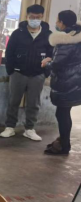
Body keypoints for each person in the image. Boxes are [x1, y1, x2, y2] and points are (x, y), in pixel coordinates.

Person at [1, 4, 53, 141]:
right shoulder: (18, 33)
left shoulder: (48, 35)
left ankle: (29, 129)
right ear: (27, 16)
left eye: (37, 17)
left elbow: (51, 55)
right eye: (32, 17)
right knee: (13, 100)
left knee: (34, 103)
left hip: (38, 74)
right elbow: (9, 53)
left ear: (42, 17)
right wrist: (11, 71)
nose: (34, 19)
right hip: (18, 73)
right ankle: (10, 127)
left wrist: (45, 72)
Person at [42, 10, 81, 155]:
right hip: (75, 81)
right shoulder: (77, 36)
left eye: (58, 20)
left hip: (66, 83)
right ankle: (64, 141)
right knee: (64, 113)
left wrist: (47, 63)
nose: (56, 23)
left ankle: (64, 146)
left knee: (62, 114)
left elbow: (58, 64)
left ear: (63, 23)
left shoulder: (66, 41)